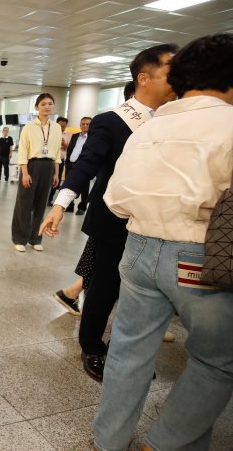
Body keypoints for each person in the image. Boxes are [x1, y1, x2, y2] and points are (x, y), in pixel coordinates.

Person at [94, 33, 233, 451]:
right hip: (199, 256)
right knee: (218, 359)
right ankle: (166, 441)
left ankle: (108, 440)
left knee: (127, 350)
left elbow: (115, 200)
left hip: (136, 249)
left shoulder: (151, 128)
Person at [39, 43, 179, 383]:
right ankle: (91, 345)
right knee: (104, 286)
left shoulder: (175, 119)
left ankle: (127, 349)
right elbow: (87, 165)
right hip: (114, 220)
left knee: (147, 291)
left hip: (158, 222)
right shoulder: (112, 121)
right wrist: (61, 203)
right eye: (170, 72)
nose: (179, 79)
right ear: (144, 78)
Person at [11, 93, 61, 252]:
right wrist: (25, 173)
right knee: (24, 204)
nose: (47, 107)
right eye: (43, 104)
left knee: (41, 204)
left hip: (48, 166)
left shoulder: (57, 127)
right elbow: (23, 151)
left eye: (50, 104)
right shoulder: (29, 127)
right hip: (31, 166)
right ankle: (20, 238)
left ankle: (35, 238)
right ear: (37, 107)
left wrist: (56, 173)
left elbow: (57, 152)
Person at [63, 116, 92, 214]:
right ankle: (70, 206)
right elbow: (70, 149)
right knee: (69, 186)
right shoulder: (75, 136)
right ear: (80, 125)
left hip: (83, 166)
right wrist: (67, 163)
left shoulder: (93, 138)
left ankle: (82, 207)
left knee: (84, 188)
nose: (85, 126)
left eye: (87, 124)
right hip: (70, 165)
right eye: (83, 124)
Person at [47, 116, 69, 206]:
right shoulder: (50, 134)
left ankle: (50, 199)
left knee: (56, 180)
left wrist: (63, 143)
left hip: (60, 161)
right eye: (60, 126)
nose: (61, 128)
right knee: (46, 179)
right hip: (49, 160)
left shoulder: (68, 135)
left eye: (64, 126)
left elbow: (68, 148)